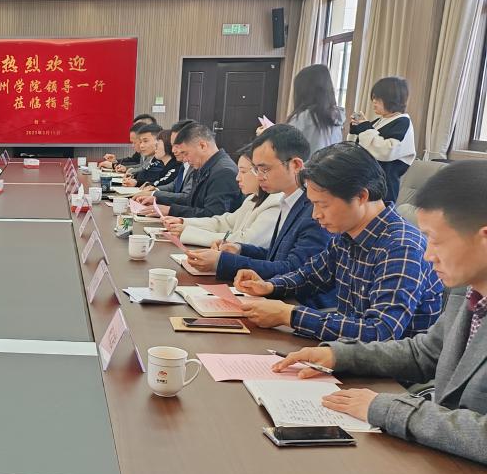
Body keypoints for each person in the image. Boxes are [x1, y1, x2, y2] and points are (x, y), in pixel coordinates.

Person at [274, 160, 487, 474]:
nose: (426, 253)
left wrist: (389, 410)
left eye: (434, 239)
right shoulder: (470, 291)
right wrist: (337, 355)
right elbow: (424, 352)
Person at [235, 142, 443, 341]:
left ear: (361, 196)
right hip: (344, 353)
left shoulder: (401, 248)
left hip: (386, 366)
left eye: (323, 205)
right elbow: (310, 277)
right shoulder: (347, 235)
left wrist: (289, 315)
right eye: (313, 204)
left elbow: (380, 331)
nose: (315, 215)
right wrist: (269, 286)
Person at [186, 124, 333, 307]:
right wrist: (240, 249)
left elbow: (293, 269)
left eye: (265, 169)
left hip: (298, 306)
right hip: (276, 298)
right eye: (256, 169)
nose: (259, 176)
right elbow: (276, 256)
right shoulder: (289, 200)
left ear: (295, 165)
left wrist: (222, 261)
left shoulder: (314, 209)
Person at [163, 144, 282, 249]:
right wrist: (184, 222)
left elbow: (245, 241)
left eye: (243, 172)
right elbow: (224, 223)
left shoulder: (275, 203)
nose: (238, 178)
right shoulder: (252, 199)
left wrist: (189, 233)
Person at [131, 122, 242, 218]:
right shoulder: (205, 165)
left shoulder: (224, 172)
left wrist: (170, 210)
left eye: (186, 153)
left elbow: (213, 216)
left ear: (202, 146)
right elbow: (190, 200)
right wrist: (157, 198)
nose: (185, 159)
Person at [348, 76, 416, 203]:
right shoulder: (379, 121)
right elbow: (358, 147)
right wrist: (357, 129)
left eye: (378, 99)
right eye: (373, 98)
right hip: (365, 180)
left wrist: (365, 127)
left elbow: (387, 151)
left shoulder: (402, 122)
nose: (374, 102)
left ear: (392, 100)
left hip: (384, 187)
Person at [259, 64, 344, 151]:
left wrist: (266, 135)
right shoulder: (337, 116)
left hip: (308, 160)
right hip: (330, 160)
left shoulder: (305, 117)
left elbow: (284, 146)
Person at [134, 119, 196, 203]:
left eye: (177, 145)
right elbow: (174, 185)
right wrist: (156, 189)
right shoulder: (185, 164)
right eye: (173, 145)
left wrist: (154, 194)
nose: (173, 150)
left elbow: (186, 197)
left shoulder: (195, 166)